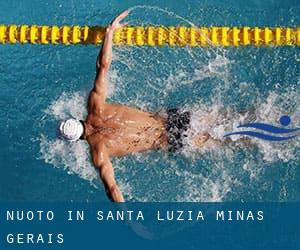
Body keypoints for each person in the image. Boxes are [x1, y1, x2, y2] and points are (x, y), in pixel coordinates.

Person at [58, 11, 210, 202]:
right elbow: (103, 66)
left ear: (76, 140)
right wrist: (109, 33)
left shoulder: (99, 152)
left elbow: (112, 189)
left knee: (228, 141)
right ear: (76, 119)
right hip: (172, 118)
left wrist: (130, 221)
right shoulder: (95, 105)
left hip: (171, 140)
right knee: (226, 118)